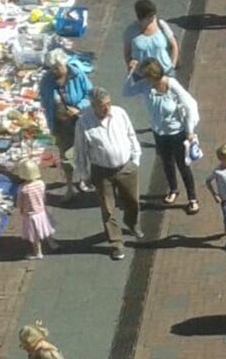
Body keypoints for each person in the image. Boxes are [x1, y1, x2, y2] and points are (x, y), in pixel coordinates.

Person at [74, 90, 142, 262]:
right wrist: (84, 174)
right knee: (108, 209)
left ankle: (132, 223)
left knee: (132, 201)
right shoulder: (84, 123)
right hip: (102, 172)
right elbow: (80, 151)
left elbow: (131, 135)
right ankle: (116, 243)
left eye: (108, 104)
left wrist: (136, 159)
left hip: (127, 167)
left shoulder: (119, 113)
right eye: (102, 106)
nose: (107, 108)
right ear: (93, 106)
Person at [139, 63, 201, 214]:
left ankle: (192, 198)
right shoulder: (149, 88)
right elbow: (126, 91)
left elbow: (190, 105)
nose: (145, 81)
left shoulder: (172, 85)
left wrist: (190, 130)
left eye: (147, 77)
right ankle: (173, 189)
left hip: (176, 132)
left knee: (183, 165)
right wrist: (131, 72)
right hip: (159, 133)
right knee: (166, 163)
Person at [38, 50, 93, 184]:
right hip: (60, 126)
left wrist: (79, 107)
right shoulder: (46, 80)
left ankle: (84, 177)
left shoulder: (77, 75)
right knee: (65, 157)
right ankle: (69, 185)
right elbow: (45, 101)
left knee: (84, 151)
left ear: (64, 64)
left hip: (80, 121)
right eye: (52, 68)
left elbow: (91, 94)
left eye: (57, 67)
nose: (54, 71)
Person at [123, 0, 180, 80]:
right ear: (141, 17)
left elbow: (174, 45)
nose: (153, 18)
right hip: (142, 76)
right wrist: (131, 66)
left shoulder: (161, 24)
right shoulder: (130, 31)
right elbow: (127, 53)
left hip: (165, 72)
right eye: (150, 17)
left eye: (153, 16)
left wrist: (172, 67)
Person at [10, 158, 53, 260]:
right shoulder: (41, 183)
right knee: (44, 228)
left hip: (30, 214)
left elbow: (20, 203)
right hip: (41, 211)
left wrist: (20, 209)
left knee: (34, 236)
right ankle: (52, 243)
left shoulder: (23, 188)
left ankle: (37, 253)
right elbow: (43, 196)